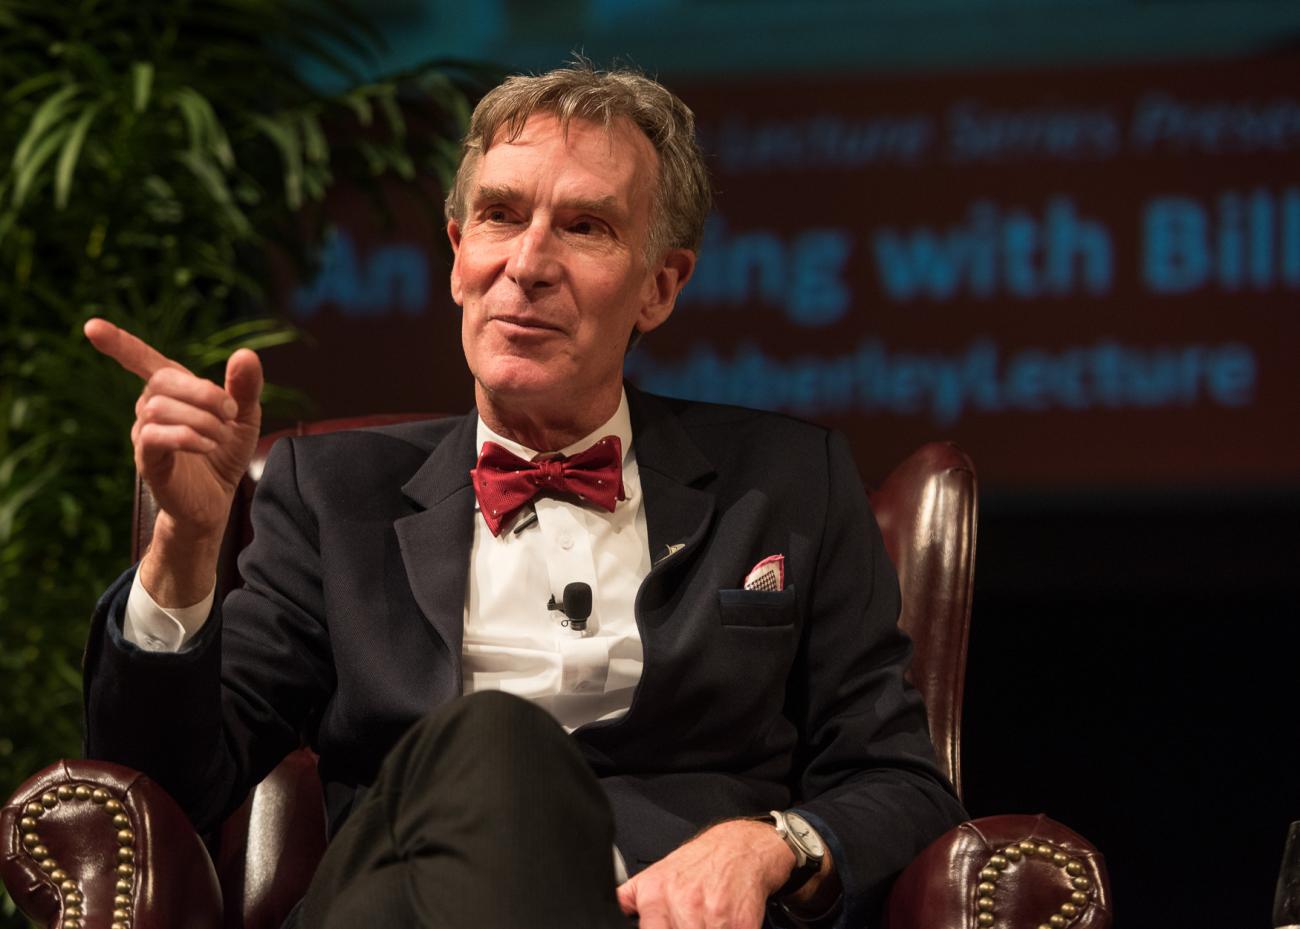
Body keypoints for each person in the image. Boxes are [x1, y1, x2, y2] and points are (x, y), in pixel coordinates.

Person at [82, 63, 966, 929]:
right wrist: (186, 546)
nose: (529, 264)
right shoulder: (333, 493)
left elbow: (901, 781)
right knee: (497, 741)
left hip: (655, 912)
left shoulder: (785, 484)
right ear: (459, 251)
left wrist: (771, 843)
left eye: (585, 226)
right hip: (401, 902)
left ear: (660, 286)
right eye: (502, 216)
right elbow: (172, 783)